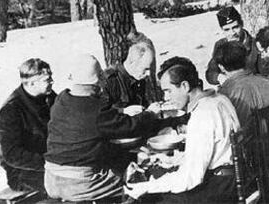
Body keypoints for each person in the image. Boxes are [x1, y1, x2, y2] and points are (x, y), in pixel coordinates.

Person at [44, 54, 184, 202]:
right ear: (98, 80)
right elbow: (131, 127)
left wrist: (121, 112)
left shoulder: (61, 99)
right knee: (137, 182)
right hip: (80, 184)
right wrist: (150, 114)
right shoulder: (96, 109)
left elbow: (86, 125)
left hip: (50, 178)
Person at [126, 57, 240, 203]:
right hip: (232, 178)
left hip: (220, 188)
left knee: (151, 198)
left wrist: (148, 187)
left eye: (168, 91)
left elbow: (191, 178)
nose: (166, 97)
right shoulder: (220, 99)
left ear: (185, 86)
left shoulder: (201, 115)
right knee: (161, 175)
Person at [0, 58, 56, 193]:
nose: (52, 82)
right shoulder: (11, 110)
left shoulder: (49, 97)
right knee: (67, 186)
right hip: (24, 172)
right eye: (47, 79)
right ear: (31, 83)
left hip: (52, 162)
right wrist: (48, 163)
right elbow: (11, 154)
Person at [214, 40, 269, 126]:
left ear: (221, 67)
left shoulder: (227, 93)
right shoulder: (268, 82)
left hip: (253, 138)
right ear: (246, 60)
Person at [205, 6, 269, 85]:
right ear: (222, 30)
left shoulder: (256, 45)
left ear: (242, 24)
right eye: (227, 30)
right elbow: (210, 73)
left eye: (235, 27)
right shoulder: (220, 45)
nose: (232, 33)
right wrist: (219, 77)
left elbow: (266, 76)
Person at [104, 41, 156, 109]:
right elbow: (103, 114)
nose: (148, 74)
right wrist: (123, 112)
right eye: (145, 69)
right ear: (132, 62)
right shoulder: (110, 79)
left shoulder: (138, 78)